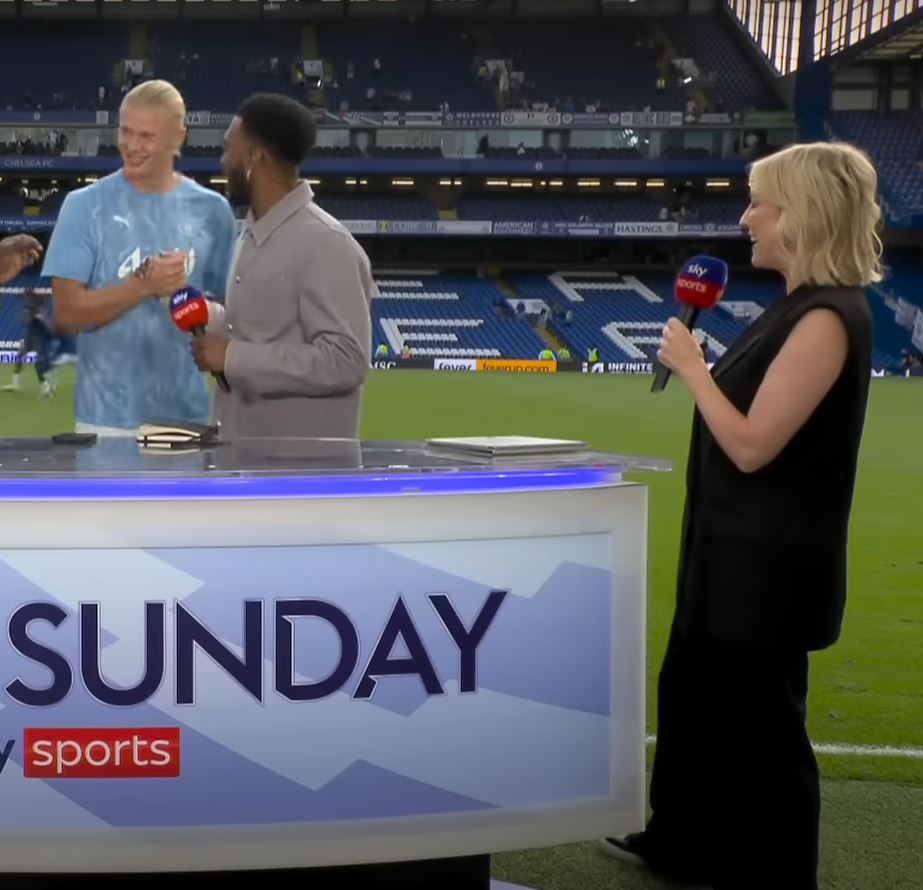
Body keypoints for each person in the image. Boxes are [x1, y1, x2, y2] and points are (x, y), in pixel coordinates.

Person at [601, 141, 881, 890]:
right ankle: (681, 842)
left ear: (800, 215)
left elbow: (754, 445)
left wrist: (692, 368)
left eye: (759, 201)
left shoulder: (825, 317)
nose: (746, 216)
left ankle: (779, 872)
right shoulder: (790, 307)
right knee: (694, 703)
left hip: (769, 572)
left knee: (762, 734)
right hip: (726, 555)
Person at [40, 79, 237, 435]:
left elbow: (231, 315)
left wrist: (189, 303)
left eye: (146, 136)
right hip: (103, 424)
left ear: (179, 137)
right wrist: (142, 287)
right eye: (125, 132)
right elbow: (66, 314)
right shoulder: (84, 206)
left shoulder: (213, 211)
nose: (131, 146)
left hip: (186, 420)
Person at [191, 93, 373, 439]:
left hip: (298, 476)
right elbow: (257, 330)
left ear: (254, 158)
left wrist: (232, 357)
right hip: (241, 458)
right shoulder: (250, 235)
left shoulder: (326, 242)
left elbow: (346, 360)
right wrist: (204, 315)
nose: (222, 161)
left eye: (229, 149)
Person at [3, 288, 56, 397]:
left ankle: (46, 387)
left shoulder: (39, 311)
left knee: (38, 363)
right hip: (30, 338)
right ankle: (15, 384)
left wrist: (39, 319)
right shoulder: (31, 309)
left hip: (38, 339)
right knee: (19, 356)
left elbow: (46, 325)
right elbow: (24, 318)